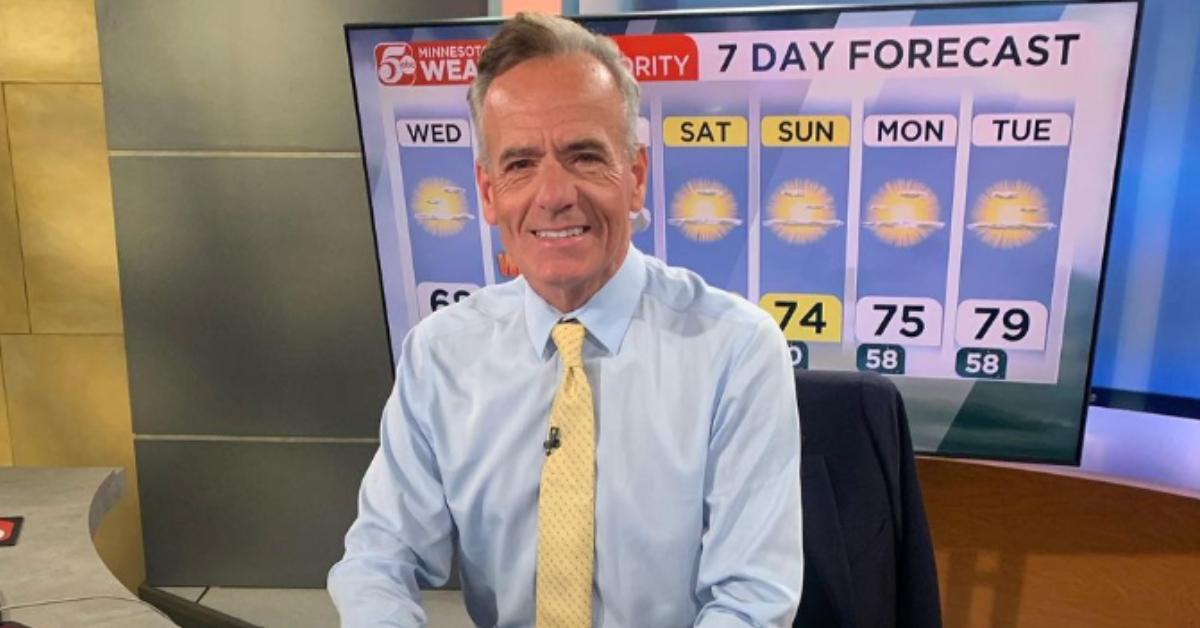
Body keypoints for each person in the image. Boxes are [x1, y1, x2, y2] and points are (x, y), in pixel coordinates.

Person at [328, 13, 802, 627]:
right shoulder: (439, 354)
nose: (553, 194)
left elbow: (751, 602)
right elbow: (377, 559)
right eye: (520, 164)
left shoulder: (736, 351)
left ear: (634, 177)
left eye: (583, 157)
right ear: (489, 190)